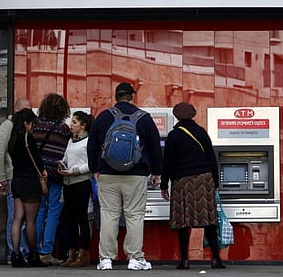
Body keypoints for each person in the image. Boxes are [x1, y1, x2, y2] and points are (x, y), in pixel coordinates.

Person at [87, 82, 162, 271]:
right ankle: (135, 258)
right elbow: (155, 147)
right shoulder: (144, 118)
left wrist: (94, 168)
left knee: (109, 215)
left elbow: (92, 146)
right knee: (135, 215)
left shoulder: (104, 117)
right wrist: (156, 172)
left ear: (116, 97)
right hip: (136, 175)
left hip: (107, 174)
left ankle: (105, 259)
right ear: (132, 96)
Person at [160, 102, 226, 270]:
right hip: (204, 180)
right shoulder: (201, 132)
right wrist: (215, 183)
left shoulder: (174, 135)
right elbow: (212, 158)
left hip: (182, 181)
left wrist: (163, 185)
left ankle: (184, 260)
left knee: (183, 222)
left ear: (176, 116)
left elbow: (167, 163)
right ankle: (216, 259)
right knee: (209, 221)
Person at [33, 93, 72, 265]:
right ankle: (46, 252)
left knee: (39, 212)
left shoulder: (36, 126)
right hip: (56, 176)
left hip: (39, 175)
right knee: (53, 213)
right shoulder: (63, 129)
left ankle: (33, 250)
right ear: (62, 110)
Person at [0, 97, 32, 262]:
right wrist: (2, 177)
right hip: (13, 178)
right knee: (16, 217)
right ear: (17, 110)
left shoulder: (26, 126)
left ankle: (22, 252)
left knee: (23, 218)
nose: (28, 113)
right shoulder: (8, 126)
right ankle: (15, 252)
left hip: (25, 178)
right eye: (25, 110)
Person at [8, 108, 48, 268]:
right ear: (26, 123)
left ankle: (16, 254)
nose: (33, 127)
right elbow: (37, 160)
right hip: (30, 182)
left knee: (17, 219)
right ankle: (33, 255)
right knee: (31, 221)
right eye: (32, 124)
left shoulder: (13, 139)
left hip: (17, 181)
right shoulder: (27, 138)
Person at [58, 110, 95, 268]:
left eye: (74, 122)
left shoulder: (89, 142)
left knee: (82, 218)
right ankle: (72, 252)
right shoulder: (70, 141)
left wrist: (76, 170)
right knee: (70, 218)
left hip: (81, 181)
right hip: (68, 182)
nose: (71, 125)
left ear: (83, 125)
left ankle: (84, 252)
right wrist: (62, 164)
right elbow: (67, 157)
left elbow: (91, 163)